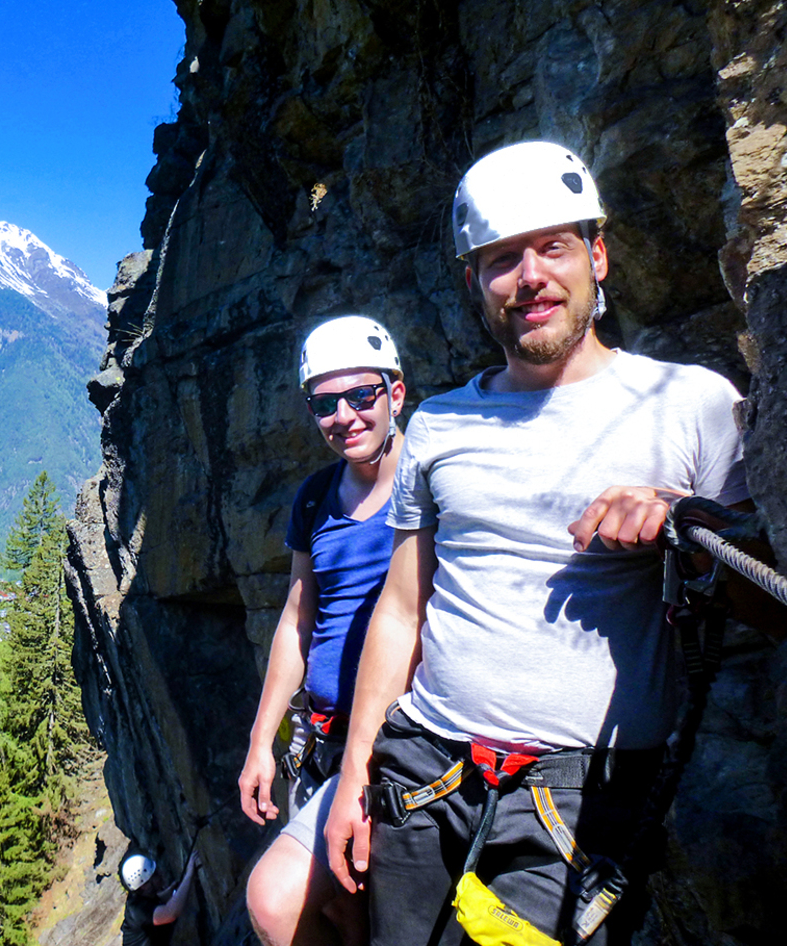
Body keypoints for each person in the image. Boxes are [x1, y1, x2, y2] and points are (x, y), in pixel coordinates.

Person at [323, 140, 770, 946]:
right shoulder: (439, 423)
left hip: (579, 797)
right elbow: (401, 608)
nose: (529, 276)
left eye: (554, 247)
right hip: (421, 772)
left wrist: (689, 522)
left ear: (597, 255)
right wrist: (357, 772)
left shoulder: (694, 405)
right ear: (474, 284)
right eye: (501, 259)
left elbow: (766, 599)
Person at [238, 315, 406, 946]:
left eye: (361, 395)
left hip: (398, 746)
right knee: (344, 915)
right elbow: (297, 619)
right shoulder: (316, 498)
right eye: (324, 403)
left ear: (395, 393)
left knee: (279, 902)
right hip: (322, 739)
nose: (344, 416)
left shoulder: (433, 486)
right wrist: (262, 741)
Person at [119, 849, 202, 946]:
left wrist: (165, 896)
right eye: (155, 875)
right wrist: (189, 874)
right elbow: (171, 913)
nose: (160, 875)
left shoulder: (140, 899)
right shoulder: (138, 910)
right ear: (145, 885)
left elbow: (152, 905)